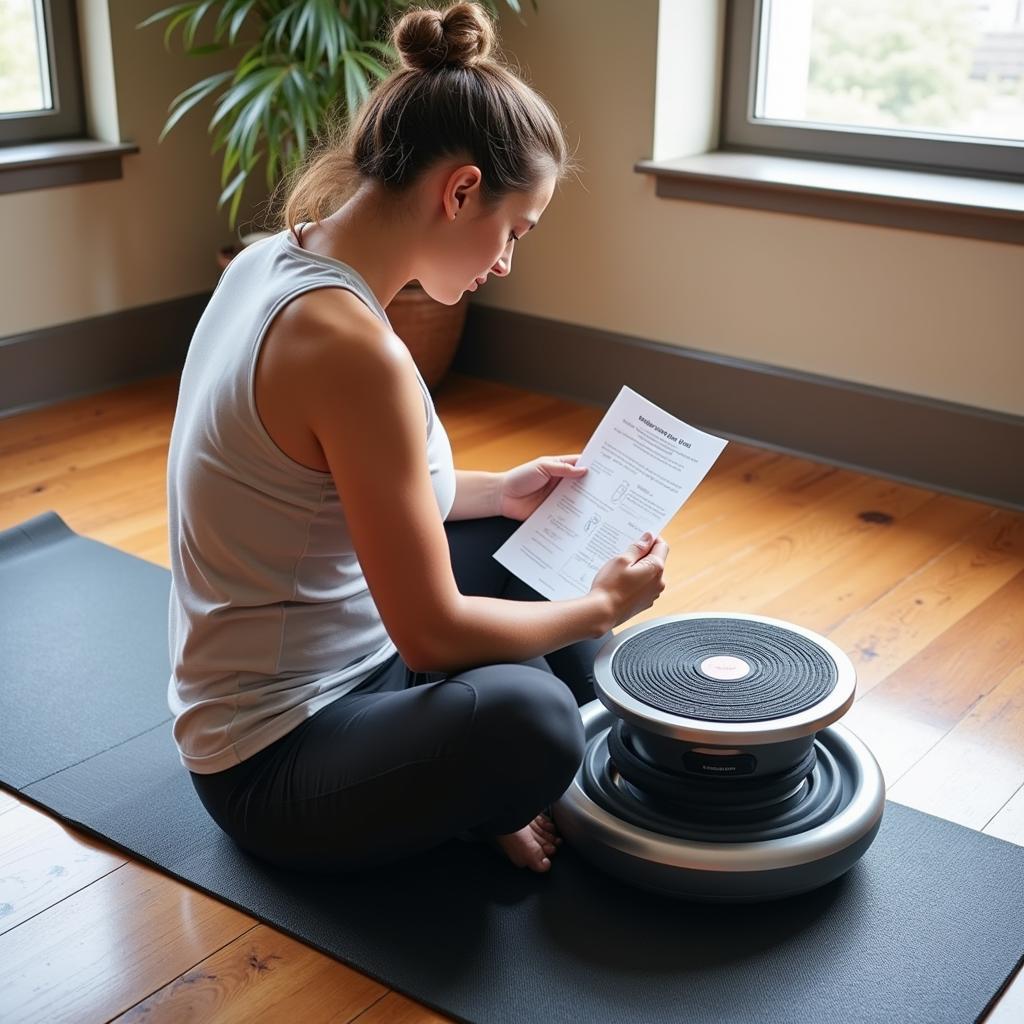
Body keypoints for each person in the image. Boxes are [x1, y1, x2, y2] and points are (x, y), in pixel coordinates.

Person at [165, 1, 669, 878]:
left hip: (360, 659)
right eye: (514, 230)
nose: (505, 261)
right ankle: (490, 783)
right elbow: (432, 635)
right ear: (461, 189)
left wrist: (500, 490)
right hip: (273, 759)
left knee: (527, 535)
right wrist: (603, 610)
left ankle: (486, 775)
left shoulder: (270, 262)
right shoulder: (352, 352)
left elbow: (331, 483)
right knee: (536, 718)